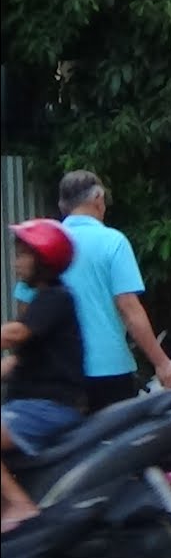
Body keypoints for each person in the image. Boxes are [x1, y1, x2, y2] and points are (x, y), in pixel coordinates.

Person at [13, 171, 171, 412]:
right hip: (109, 372)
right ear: (98, 198)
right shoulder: (113, 242)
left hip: (56, 377)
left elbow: (25, 315)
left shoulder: (46, 245)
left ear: (62, 204)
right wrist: (162, 363)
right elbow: (129, 310)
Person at [1, 219, 86, 534]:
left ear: (43, 258)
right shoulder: (43, 302)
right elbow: (13, 364)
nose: (16, 262)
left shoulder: (55, 298)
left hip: (48, 408)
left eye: (23, 255)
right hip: (31, 407)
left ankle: (21, 506)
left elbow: (14, 335)